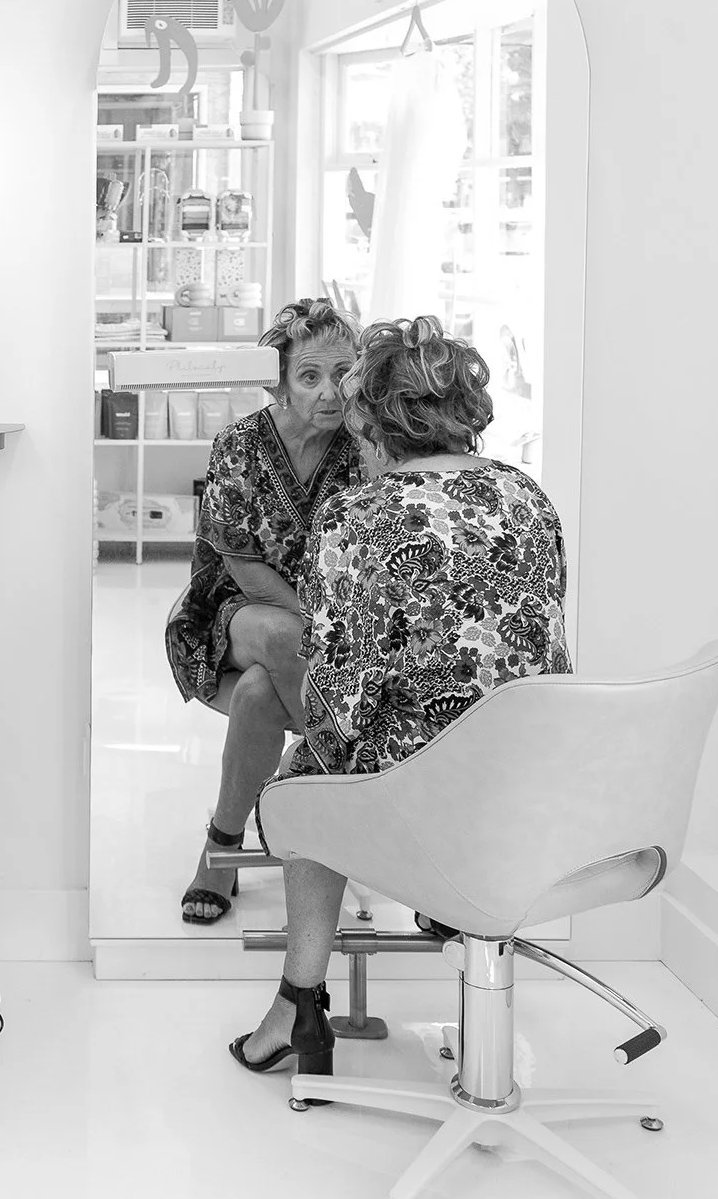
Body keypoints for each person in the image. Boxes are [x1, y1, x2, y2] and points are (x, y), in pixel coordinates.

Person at [230, 315, 572, 1079]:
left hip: (424, 802)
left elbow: (337, 710)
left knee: (305, 773)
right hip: (538, 789)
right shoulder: (527, 497)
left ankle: (298, 1003)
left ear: (374, 417)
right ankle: (450, 903)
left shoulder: (356, 516)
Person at [167, 298, 366, 924]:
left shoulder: (366, 449)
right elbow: (239, 563)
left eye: (343, 373)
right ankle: (326, 789)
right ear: (276, 380)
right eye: (310, 376)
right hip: (234, 609)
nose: (330, 392)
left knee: (259, 695)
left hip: (332, 627)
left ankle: (221, 845)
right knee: (283, 639)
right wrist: (315, 620)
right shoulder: (240, 445)